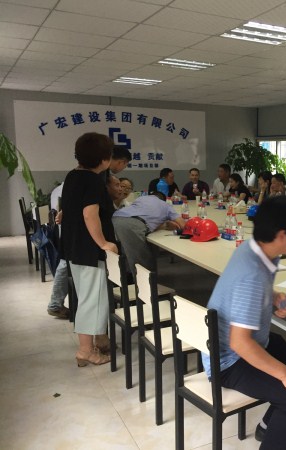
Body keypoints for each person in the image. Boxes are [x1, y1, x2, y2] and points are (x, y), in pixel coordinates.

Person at [202, 196, 286, 449]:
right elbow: (239, 343)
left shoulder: (256, 249)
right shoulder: (251, 275)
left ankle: (268, 427)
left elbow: (250, 294)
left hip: (248, 342)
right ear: (282, 236)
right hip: (228, 361)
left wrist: (274, 297)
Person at [61, 132, 117, 366]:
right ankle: (86, 350)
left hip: (74, 245)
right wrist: (103, 243)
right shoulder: (93, 180)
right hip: (88, 249)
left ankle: (100, 339)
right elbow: (89, 214)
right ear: (104, 159)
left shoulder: (73, 175)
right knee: (91, 299)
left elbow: (68, 208)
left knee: (87, 296)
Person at [112, 192, 186, 274]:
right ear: (163, 200)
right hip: (132, 226)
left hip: (115, 219)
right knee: (142, 265)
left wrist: (164, 225)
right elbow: (183, 225)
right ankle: (143, 281)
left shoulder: (141, 199)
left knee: (124, 256)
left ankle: (128, 278)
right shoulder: (166, 205)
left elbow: (145, 217)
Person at [47, 182, 69, 319]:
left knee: (64, 263)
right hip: (66, 234)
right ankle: (55, 304)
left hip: (59, 233)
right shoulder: (69, 190)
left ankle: (55, 304)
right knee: (65, 264)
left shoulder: (58, 189)